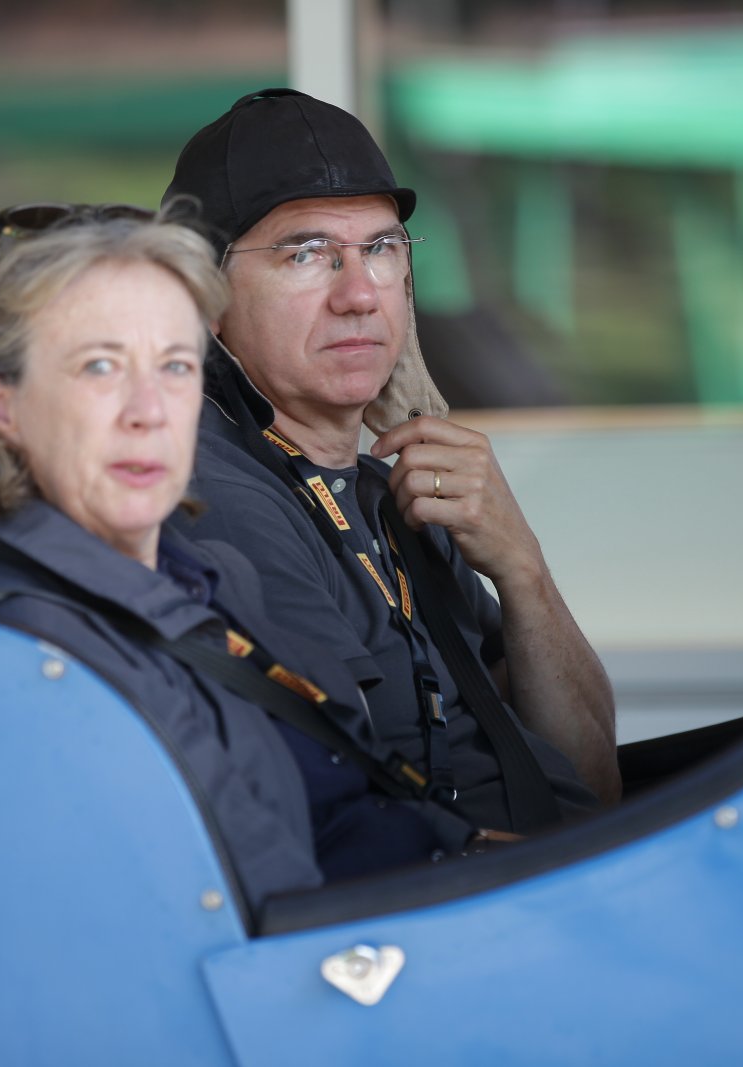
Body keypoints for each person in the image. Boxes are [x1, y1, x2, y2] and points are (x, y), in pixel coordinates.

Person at [0, 203, 472, 909]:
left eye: (175, 366)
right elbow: (258, 923)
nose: (149, 410)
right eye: (100, 366)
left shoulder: (205, 578)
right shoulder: (30, 657)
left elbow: (345, 811)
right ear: (3, 405)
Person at [162, 89, 621, 837]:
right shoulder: (219, 493)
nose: (359, 295)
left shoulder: (401, 486)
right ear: (203, 294)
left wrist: (522, 568)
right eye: (307, 254)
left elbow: (595, 780)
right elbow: (347, 821)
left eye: (380, 249)